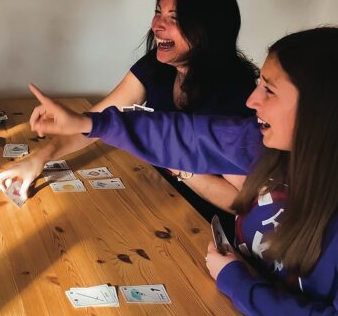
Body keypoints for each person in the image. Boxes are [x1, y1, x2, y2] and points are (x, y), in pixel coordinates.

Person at [27, 27, 338, 314]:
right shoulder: (259, 142)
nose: (252, 100)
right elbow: (180, 134)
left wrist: (237, 281)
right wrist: (88, 123)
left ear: (320, 109)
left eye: (269, 91)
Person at [0, 0, 258, 235]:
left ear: (207, 29)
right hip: (156, 201)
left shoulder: (237, 95)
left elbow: (241, 202)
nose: (157, 25)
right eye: (158, 12)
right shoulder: (156, 67)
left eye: (174, 17)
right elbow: (94, 124)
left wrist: (177, 164)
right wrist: (39, 159)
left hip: (205, 229)